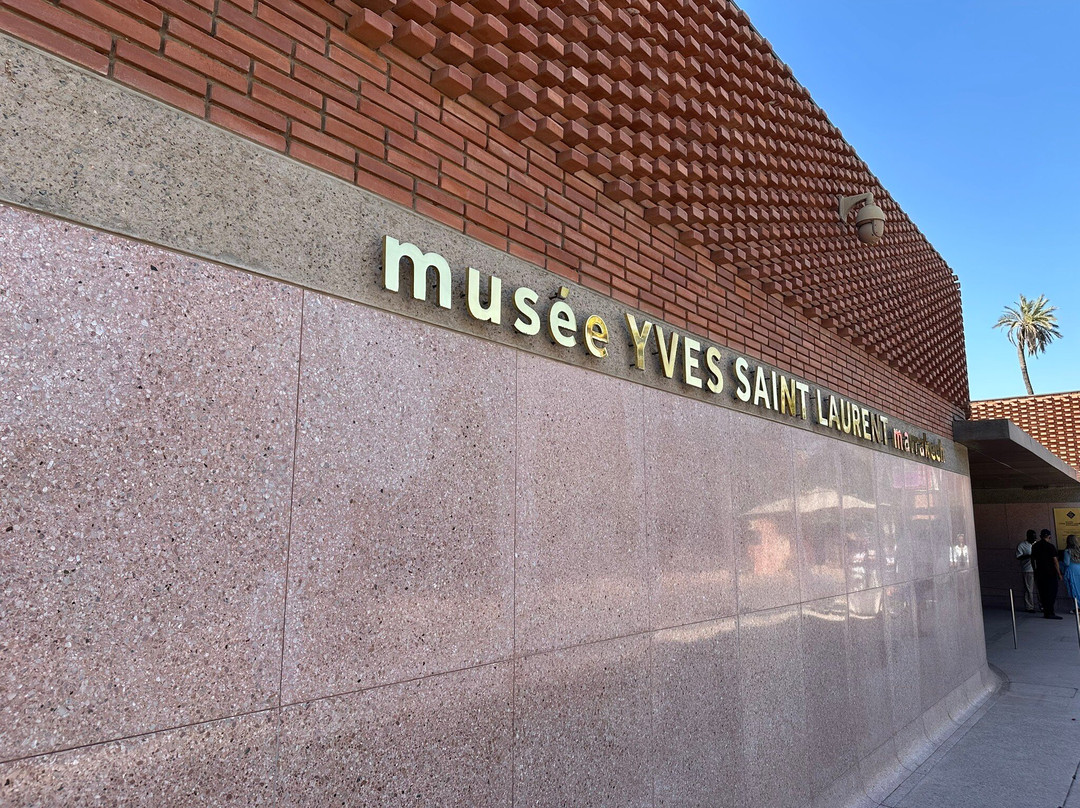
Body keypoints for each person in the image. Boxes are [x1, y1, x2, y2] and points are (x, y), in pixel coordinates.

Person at [1031, 528, 1064, 619]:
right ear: (1049, 536)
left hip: (1040, 572)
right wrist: (1059, 574)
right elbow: (1055, 561)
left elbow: (1032, 560)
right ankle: (1050, 612)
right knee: (1052, 592)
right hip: (1050, 573)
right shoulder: (1050, 546)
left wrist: (1035, 570)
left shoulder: (1035, 546)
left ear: (1041, 536)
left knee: (1043, 593)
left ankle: (1046, 611)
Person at [1016, 529, 1040, 612]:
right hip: (1028, 569)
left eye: (1035, 537)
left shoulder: (1037, 544)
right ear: (1028, 537)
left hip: (1038, 569)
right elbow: (1018, 557)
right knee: (1029, 589)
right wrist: (1029, 556)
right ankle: (1029, 607)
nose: (1034, 539)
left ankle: (1042, 605)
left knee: (1040, 588)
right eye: (1033, 537)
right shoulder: (1022, 545)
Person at [1061, 535, 1080, 612]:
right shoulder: (1079, 550)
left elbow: (1067, 563)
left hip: (1072, 570)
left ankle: (1077, 607)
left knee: (1074, 589)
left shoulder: (1067, 551)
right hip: (1079, 568)